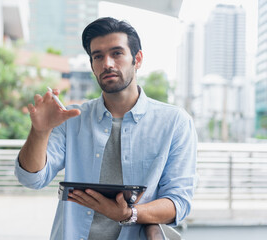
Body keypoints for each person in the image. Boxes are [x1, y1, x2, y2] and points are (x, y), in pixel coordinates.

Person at [15, 17, 197, 240]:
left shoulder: (175, 122)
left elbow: (179, 203)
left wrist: (129, 214)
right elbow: (32, 179)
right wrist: (40, 132)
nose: (107, 63)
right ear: (92, 66)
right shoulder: (72, 118)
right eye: (98, 56)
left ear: (137, 59)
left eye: (117, 53)